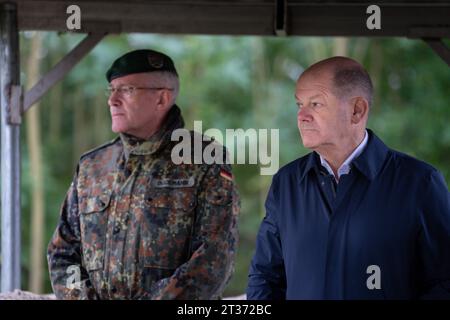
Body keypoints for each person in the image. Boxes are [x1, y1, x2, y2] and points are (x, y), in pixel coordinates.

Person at [247, 56, 450, 300]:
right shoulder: (286, 183)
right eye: (299, 104)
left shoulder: (420, 183)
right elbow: (264, 277)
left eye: (316, 104)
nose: (302, 116)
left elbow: (444, 284)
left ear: (357, 110)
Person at [47, 49, 239, 300]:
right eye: (111, 90)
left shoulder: (204, 160)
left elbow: (214, 259)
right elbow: (63, 253)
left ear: (162, 98)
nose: (112, 100)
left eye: (126, 90)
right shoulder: (92, 166)